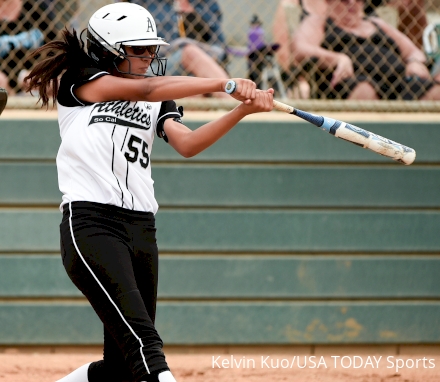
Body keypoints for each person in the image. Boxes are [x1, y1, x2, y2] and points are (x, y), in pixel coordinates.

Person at [23, 3, 274, 382]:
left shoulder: (157, 98)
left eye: (151, 49)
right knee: (146, 345)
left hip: (142, 229)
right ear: (109, 50)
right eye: (137, 50)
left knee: (122, 367)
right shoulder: (82, 79)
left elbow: (187, 144)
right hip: (92, 223)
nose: (148, 57)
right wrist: (223, 84)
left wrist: (241, 111)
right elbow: (150, 86)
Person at [292, 0, 440, 100]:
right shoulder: (319, 22)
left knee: (436, 92)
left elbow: (414, 52)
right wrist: (338, 58)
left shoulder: (376, 23)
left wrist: (414, 62)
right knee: (365, 91)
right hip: (353, 82)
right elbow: (300, 48)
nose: (352, 2)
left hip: (398, 82)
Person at [132, 0, 230, 98]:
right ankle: (233, 101)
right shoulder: (145, 3)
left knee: (195, 87)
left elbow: (220, 49)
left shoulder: (206, 3)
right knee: (189, 52)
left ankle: (232, 104)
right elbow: (139, 50)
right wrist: (180, 45)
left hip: (197, 67)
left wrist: (189, 42)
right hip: (155, 66)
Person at [0, 0, 59, 93]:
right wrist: (20, 76)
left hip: (36, 77)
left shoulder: (37, 7)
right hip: (1, 83)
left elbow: (54, 48)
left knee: (54, 81)